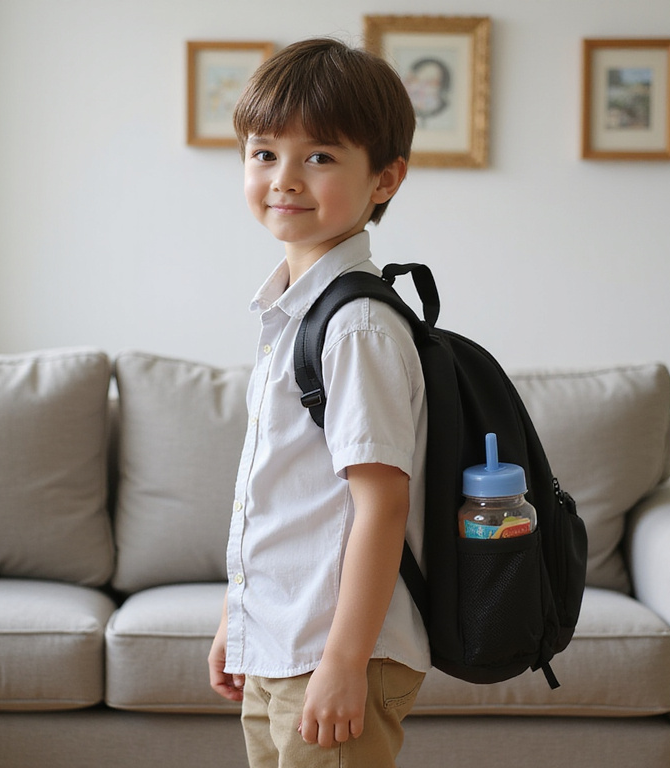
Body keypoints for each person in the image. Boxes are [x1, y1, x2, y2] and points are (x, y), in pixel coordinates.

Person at [207, 37, 429, 768]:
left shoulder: (357, 326)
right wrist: (237, 621)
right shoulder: (293, 315)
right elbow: (276, 499)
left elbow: (381, 505)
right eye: (264, 153)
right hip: (281, 643)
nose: (285, 178)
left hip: (331, 653)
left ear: (384, 178)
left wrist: (343, 662)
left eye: (321, 156)